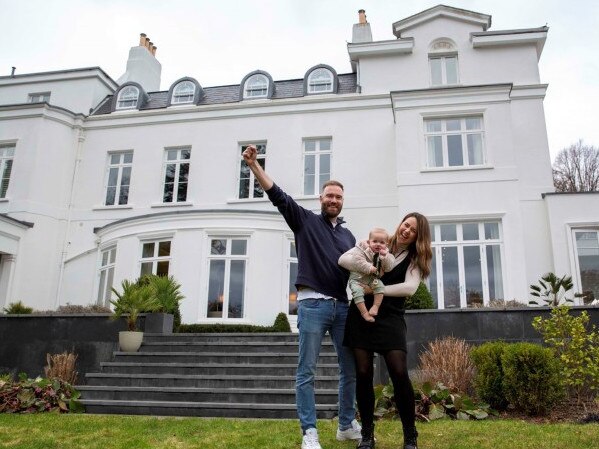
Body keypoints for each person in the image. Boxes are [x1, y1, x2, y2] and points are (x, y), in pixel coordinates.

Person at [242, 144, 362, 449]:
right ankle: (309, 432)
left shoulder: (348, 236)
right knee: (306, 370)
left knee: (350, 369)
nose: (333, 200)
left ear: (342, 201)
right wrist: (255, 166)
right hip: (312, 305)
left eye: (338, 197)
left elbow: (360, 271)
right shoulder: (305, 220)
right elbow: (278, 195)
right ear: (321, 199)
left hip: (342, 308)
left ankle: (346, 425)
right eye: (329, 196)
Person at [339, 213, 432, 449]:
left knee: (399, 372)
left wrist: (375, 289)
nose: (407, 230)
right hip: (361, 315)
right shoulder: (377, 241)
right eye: (406, 224)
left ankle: (410, 436)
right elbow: (344, 260)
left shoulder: (414, 258)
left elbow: (409, 289)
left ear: (418, 236)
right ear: (400, 224)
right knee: (362, 373)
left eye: (413, 230)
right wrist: (364, 259)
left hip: (390, 317)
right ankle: (367, 436)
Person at [342, 228, 395, 322]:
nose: (378, 244)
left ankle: (375, 306)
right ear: (369, 242)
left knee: (380, 286)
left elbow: (388, 267)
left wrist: (385, 257)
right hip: (357, 279)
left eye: (382, 242)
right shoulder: (361, 250)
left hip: (371, 279)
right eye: (375, 241)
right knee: (357, 292)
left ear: (386, 244)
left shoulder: (386, 254)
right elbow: (357, 261)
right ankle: (364, 313)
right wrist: (369, 267)